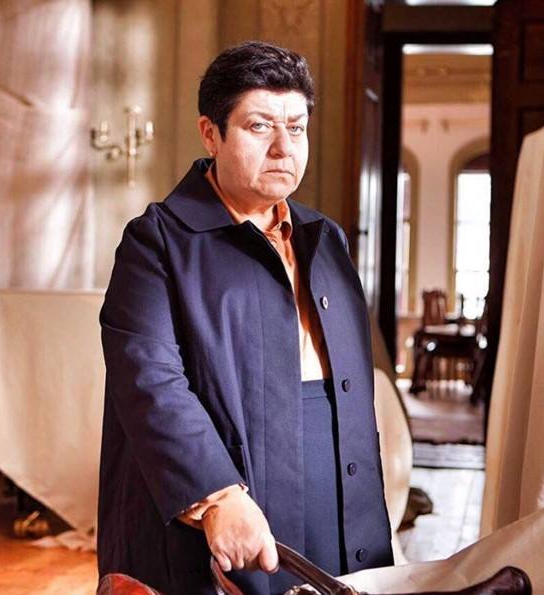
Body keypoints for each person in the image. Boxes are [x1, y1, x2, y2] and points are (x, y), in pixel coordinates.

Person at [97, 40, 393, 595]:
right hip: (228, 499)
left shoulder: (325, 238)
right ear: (210, 134)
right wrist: (218, 496)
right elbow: (149, 383)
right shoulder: (155, 242)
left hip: (340, 498)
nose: (284, 148)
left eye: (297, 128)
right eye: (260, 127)